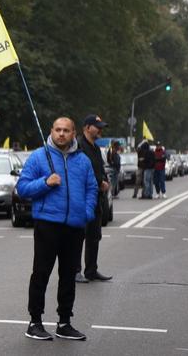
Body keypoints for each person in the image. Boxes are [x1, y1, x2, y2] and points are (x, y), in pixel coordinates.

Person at [17, 117, 98, 341]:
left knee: (68, 275)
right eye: (58, 130)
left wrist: (87, 213)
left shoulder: (82, 160)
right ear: (51, 131)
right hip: (47, 224)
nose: (61, 134)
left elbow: (92, 188)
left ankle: (64, 322)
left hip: (74, 226)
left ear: (74, 134)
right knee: (41, 273)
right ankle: (35, 322)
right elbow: (22, 188)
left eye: (66, 131)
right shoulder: (38, 156)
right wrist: (45, 182)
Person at [75, 115, 113, 284]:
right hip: (82, 198)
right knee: (79, 236)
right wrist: (99, 182)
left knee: (94, 235)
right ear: (87, 127)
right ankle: (75, 271)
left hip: (96, 197)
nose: (100, 130)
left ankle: (91, 270)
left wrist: (105, 181)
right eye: (97, 126)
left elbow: (99, 168)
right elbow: (80, 171)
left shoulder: (96, 148)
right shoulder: (78, 146)